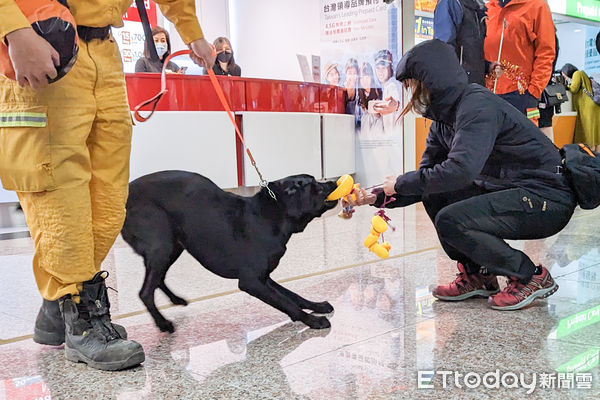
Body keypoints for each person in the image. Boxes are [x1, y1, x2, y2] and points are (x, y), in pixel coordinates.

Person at [0, 0, 214, 371]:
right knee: (59, 198)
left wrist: (191, 31)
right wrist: (13, 30)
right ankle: (82, 321)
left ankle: (58, 305)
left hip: (105, 56)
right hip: (45, 42)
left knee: (110, 205)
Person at [347, 40, 575, 311]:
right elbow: (427, 178)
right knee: (435, 193)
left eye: (411, 86)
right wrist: (375, 195)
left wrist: (399, 183)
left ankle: (530, 275)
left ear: (431, 80)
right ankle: (479, 274)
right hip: (512, 189)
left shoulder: (476, 106)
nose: (409, 94)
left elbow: (460, 171)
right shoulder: (444, 119)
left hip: (546, 197)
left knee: (451, 220)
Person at [484, 0, 555, 125]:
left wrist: (533, 92)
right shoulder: (488, 8)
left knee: (524, 141)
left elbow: (546, 52)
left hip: (522, 95)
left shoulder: (537, 6)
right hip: (487, 93)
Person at [433, 0, 487, 85]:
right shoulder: (451, 3)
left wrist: (487, 66)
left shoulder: (477, 7)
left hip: (474, 83)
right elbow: (443, 49)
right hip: (458, 84)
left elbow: (471, 49)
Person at [561, 63, 600, 153]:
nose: (565, 77)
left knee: (588, 131)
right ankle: (596, 154)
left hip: (588, 107)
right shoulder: (583, 74)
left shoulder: (577, 74)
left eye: (564, 75)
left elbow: (574, 89)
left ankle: (591, 152)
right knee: (595, 131)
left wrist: (565, 85)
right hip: (594, 106)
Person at [372, 50, 401, 135]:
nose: (380, 72)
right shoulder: (387, 86)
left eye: (384, 68)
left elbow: (396, 106)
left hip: (394, 139)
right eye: (378, 68)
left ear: (390, 68)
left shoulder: (392, 86)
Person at [357, 61, 382, 137]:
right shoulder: (359, 94)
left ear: (371, 78)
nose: (364, 81)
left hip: (376, 133)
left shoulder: (378, 92)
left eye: (367, 77)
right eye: (362, 78)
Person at [343, 58, 359, 122]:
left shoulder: (358, 90)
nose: (352, 76)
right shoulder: (341, 90)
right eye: (350, 73)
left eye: (354, 73)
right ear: (346, 74)